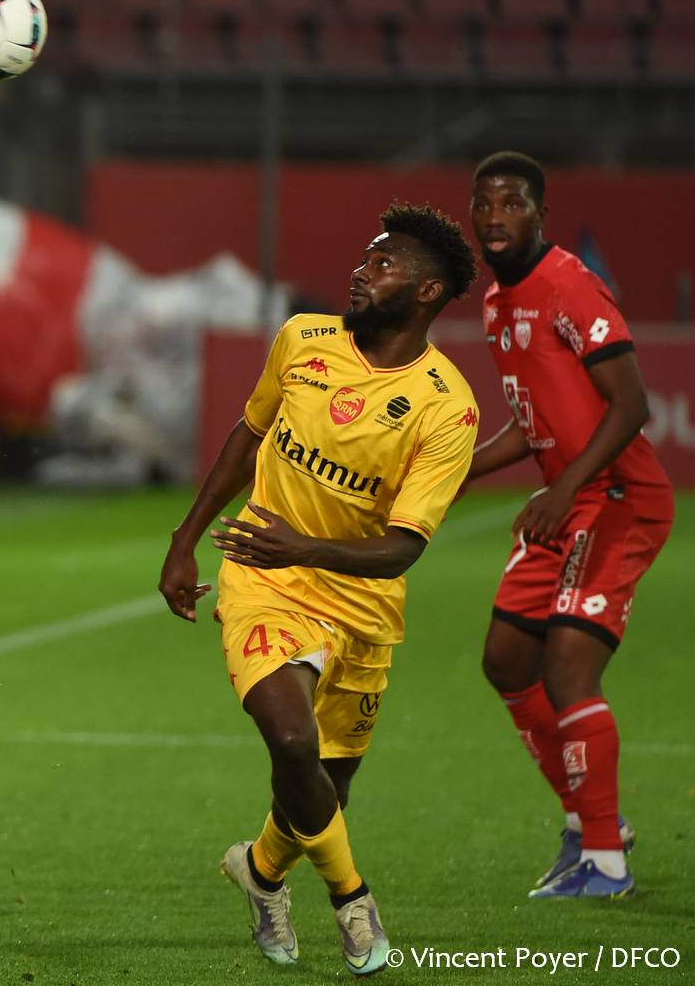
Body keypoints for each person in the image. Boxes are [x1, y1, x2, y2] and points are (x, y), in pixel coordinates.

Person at [157, 203, 480, 975]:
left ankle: (261, 871)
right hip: (263, 575)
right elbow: (249, 434)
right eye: (364, 258)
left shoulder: (446, 405)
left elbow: (402, 548)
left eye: (383, 264)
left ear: (429, 293)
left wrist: (306, 545)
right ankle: (353, 901)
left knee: (324, 787)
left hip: (361, 604)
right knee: (292, 741)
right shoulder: (302, 339)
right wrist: (185, 535)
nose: (361, 272)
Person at [463, 151, 672, 900]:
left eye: (512, 203)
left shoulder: (568, 285)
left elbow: (631, 405)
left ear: (539, 214)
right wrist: (462, 471)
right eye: (484, 203)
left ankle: (606, 863)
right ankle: (587, 822)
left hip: (618, 496)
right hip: (571, 498)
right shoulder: (496, 301)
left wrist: (566, 487)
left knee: (568, 670)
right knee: (505, 660)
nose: (495, 216)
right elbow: (534, 421)